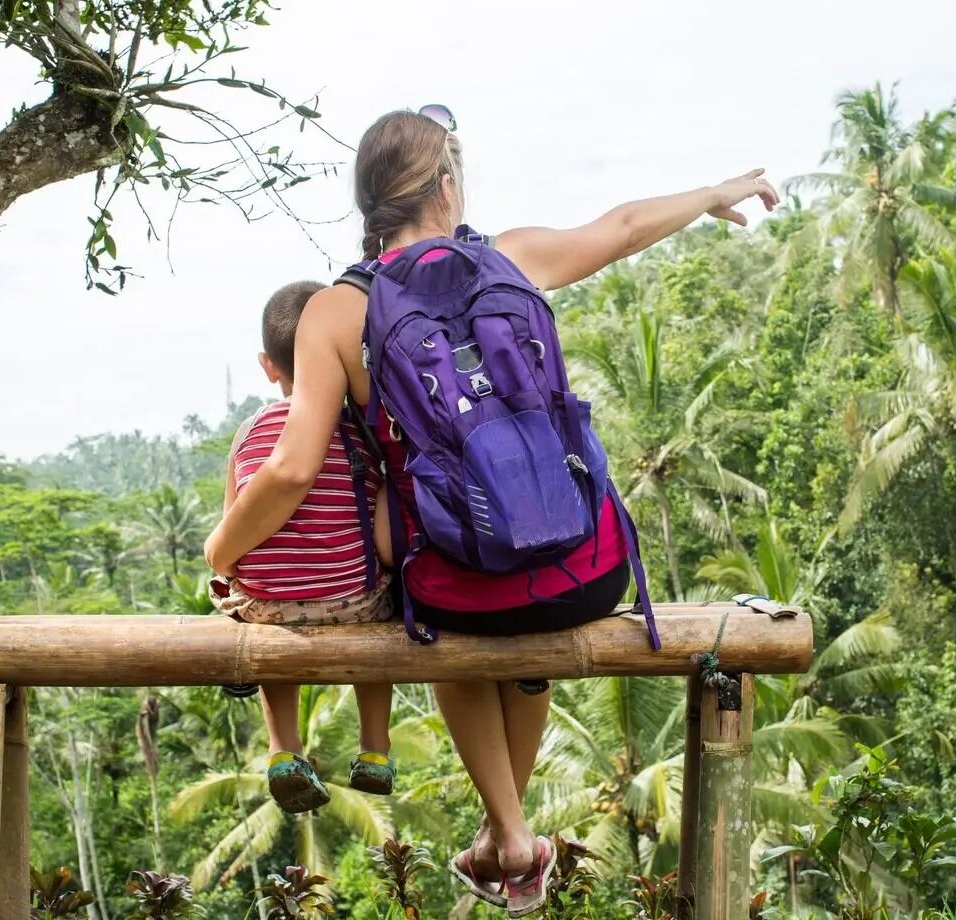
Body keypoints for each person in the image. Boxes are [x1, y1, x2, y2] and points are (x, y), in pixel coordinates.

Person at [205, 106, 778, 916]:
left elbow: (294, 467)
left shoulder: (337, 310)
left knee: (450, 591)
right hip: (584, 568)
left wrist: (220, 552)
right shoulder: (508, 257)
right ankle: (506, 836)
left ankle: (510, 832)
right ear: (446, 185)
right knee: (525, 600)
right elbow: (618, 227)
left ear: (369, 205)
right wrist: (714, 192)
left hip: (456, 594)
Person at [210, 280, 398, 815]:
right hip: (356, 603)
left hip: (268, 605)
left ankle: (283, 750)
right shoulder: (358, 429)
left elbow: (234, 521)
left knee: (266, 611)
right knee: (388, 601)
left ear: (269, 365)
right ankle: (376, 749)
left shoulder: (249, 432)